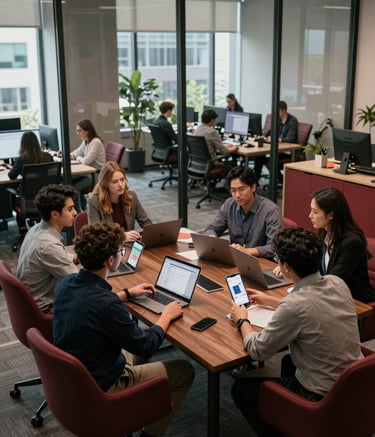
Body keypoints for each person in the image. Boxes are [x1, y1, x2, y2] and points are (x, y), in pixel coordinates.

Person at [53, 221, 195, 437]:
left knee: (129, 345)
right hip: (104, 385)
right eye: (120, 251)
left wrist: (128, 293)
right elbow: (147, 346)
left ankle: (140, 402)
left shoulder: (67, 283)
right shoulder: (107, 305)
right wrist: (165, 317)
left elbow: (92, 301)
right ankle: (149, 434)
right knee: (185, 371)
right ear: (111, 260)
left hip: (79, 376)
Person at [230, 227, 363, 437]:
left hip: (319, 396)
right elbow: (312, 306)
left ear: (286, 267)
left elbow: (257, 350)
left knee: (241, 389)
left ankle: (290, 424)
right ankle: (288, 420)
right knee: (288, 362)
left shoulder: (295, 305)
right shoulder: (337, 283)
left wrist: (241, 319)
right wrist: (274, 302)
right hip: (352, 386)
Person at [16, 184, 78, 313]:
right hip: (45, 310)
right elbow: (80, 282)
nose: (75, 213)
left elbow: (58, 258)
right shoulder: (48, 246)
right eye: (70, 209)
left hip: (30, 304)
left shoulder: (36, 229)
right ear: (55, 214)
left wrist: (77, 258)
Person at [309, 186, 375, 303]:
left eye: (315, 212)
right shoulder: (324, 233)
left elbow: (334, 279)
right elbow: (312, 261)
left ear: (331, 215)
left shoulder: (352, 243)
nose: (310, 216)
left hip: (354, 301)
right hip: (331, 296)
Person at [204, 167, 283, 259]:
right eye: (233, 190)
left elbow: (274, 247)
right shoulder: (229, 204)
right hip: (237, 259)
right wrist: (213, 239)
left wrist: (247, 251)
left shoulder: (270, 210)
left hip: (260, 261)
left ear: (253, 187)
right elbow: (211, 228)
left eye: (242, 189)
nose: (237, 195)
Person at [7, 131, 53, 248]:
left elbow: (11, 176)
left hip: (27, 203)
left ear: (23, 145)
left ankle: (23, 231)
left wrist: (12, 167)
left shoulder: (22, 159)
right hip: (46, 200)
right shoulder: (48, 156)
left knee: (12, 192)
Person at [88, 161, 152, 241]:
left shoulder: (132, 197)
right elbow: (95, 235)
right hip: (108, 248)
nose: (120, 185)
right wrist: (121, 236)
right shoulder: (94, 202)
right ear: (105, 184)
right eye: (115, 182)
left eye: (122, 179)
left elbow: (146, 223)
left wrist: (149, 234)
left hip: (128, 246)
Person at [253, 100, 299, 183]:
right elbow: (271, 130)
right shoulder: (278, 119)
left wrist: (277, 139)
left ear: (283, 110)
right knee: (259, 157)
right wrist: (264, 136)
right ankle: (255, 183)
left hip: (289, 152)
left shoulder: (293, 121)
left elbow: (291, 138)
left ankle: (283, 182)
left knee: (272, 161)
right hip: (279, 149)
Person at [69, 119, 106, 211]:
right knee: (70, 183)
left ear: (87, 131)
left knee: (73, 188)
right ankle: (83, 210)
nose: (78, 133)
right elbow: (76, 153)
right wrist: (65, 155)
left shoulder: (95, 142)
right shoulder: (86, 141)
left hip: (96, 176)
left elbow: (86, 161)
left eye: (80, 131)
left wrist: (78, 158)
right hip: (89, 173)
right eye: (77, 131)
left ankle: (79, 212)